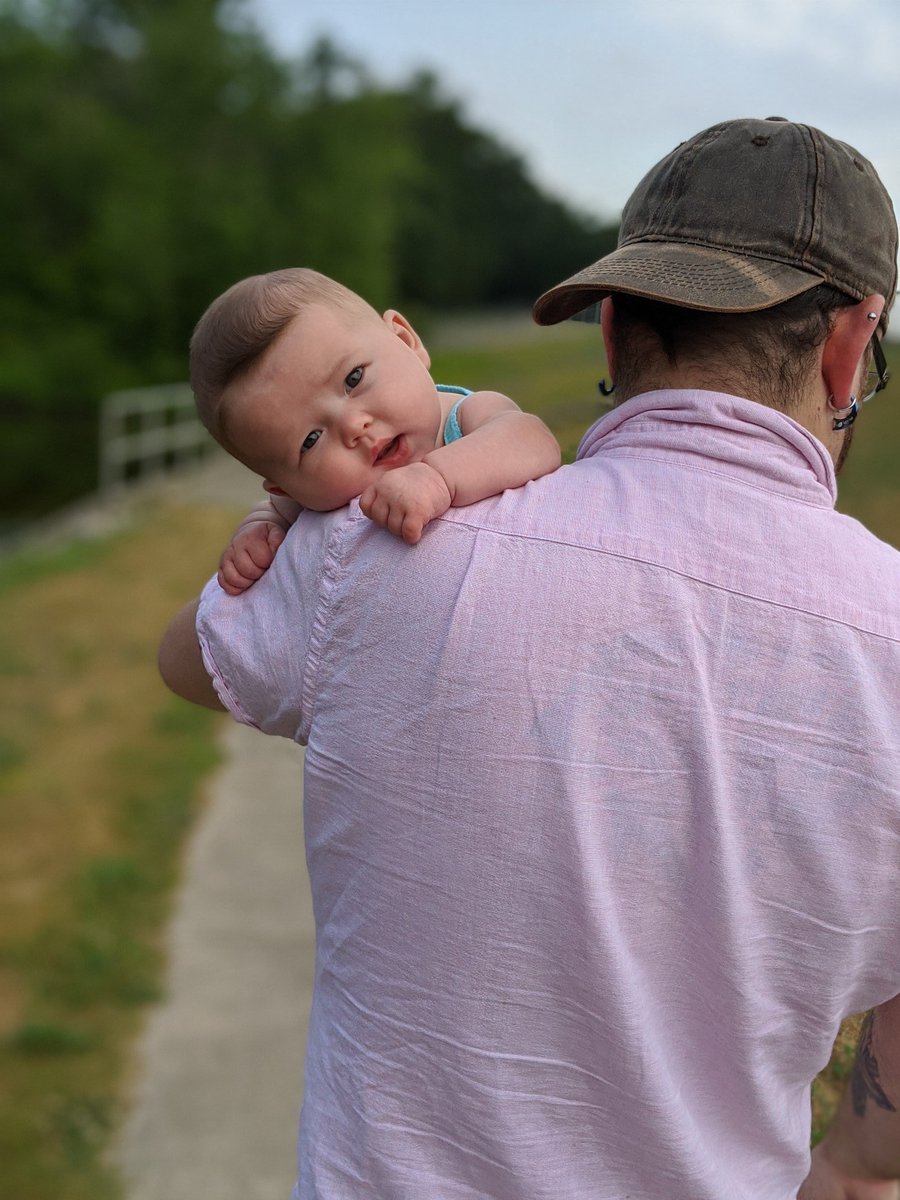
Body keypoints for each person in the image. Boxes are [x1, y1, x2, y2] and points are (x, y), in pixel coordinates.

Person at [159, 117, 900, 1199]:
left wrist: (285, 518)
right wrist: (851, 1170)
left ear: (610, 335)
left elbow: (190, 660)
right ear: (848, 349)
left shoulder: (359, 548)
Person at [188, 268, 560, 593]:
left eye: (353, 378)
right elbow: (275, 511)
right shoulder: (309, 496)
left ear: (405, 341)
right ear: (288, 487)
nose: (353, 426)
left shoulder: (467, 417)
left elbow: (533, 440)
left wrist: (437, 478)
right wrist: (258, 531)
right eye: (311, 440)